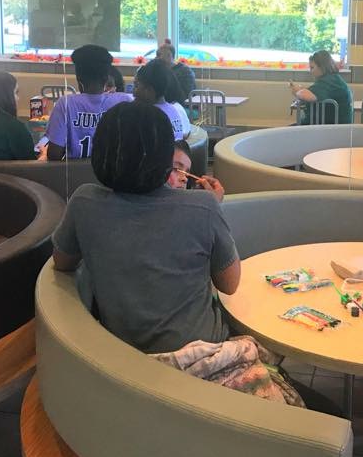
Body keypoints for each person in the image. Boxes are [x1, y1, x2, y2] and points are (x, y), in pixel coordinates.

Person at [52, 100, 240, 354]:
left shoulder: (83, 201)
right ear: (165, 157)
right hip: (200, 354)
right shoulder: (204, 206)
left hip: (123, 356)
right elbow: (230, 284)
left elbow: (62, 261)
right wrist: (214, 208)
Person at [45, 45, 132, 161]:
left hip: (77, 171)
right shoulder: (124, 101)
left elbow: (54, 154)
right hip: (112, 171)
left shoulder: (65, 104)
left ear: (78, 78)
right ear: (106, 78)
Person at [289, 50, 353, 125]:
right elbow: (316, 92)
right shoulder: (333, 79)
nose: (310, 71)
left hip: (329, 128)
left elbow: (309, 96)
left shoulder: (328, 81)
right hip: (332, 125)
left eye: (312, 67)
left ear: (322, 67)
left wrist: (297, 91)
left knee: (285, 131)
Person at [134, 59, 191, 140]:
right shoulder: (173, 109)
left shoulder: (150, 115)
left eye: (136, 86)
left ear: (149, 90)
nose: (133, 92)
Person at [156, 39, 196, 105]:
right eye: (159, 55)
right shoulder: (156, 71)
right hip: (161, 105)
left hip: (181, 105)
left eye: (167, 55)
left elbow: (186, 97)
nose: (162, 58)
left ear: (172, 56)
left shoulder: (185, 71)